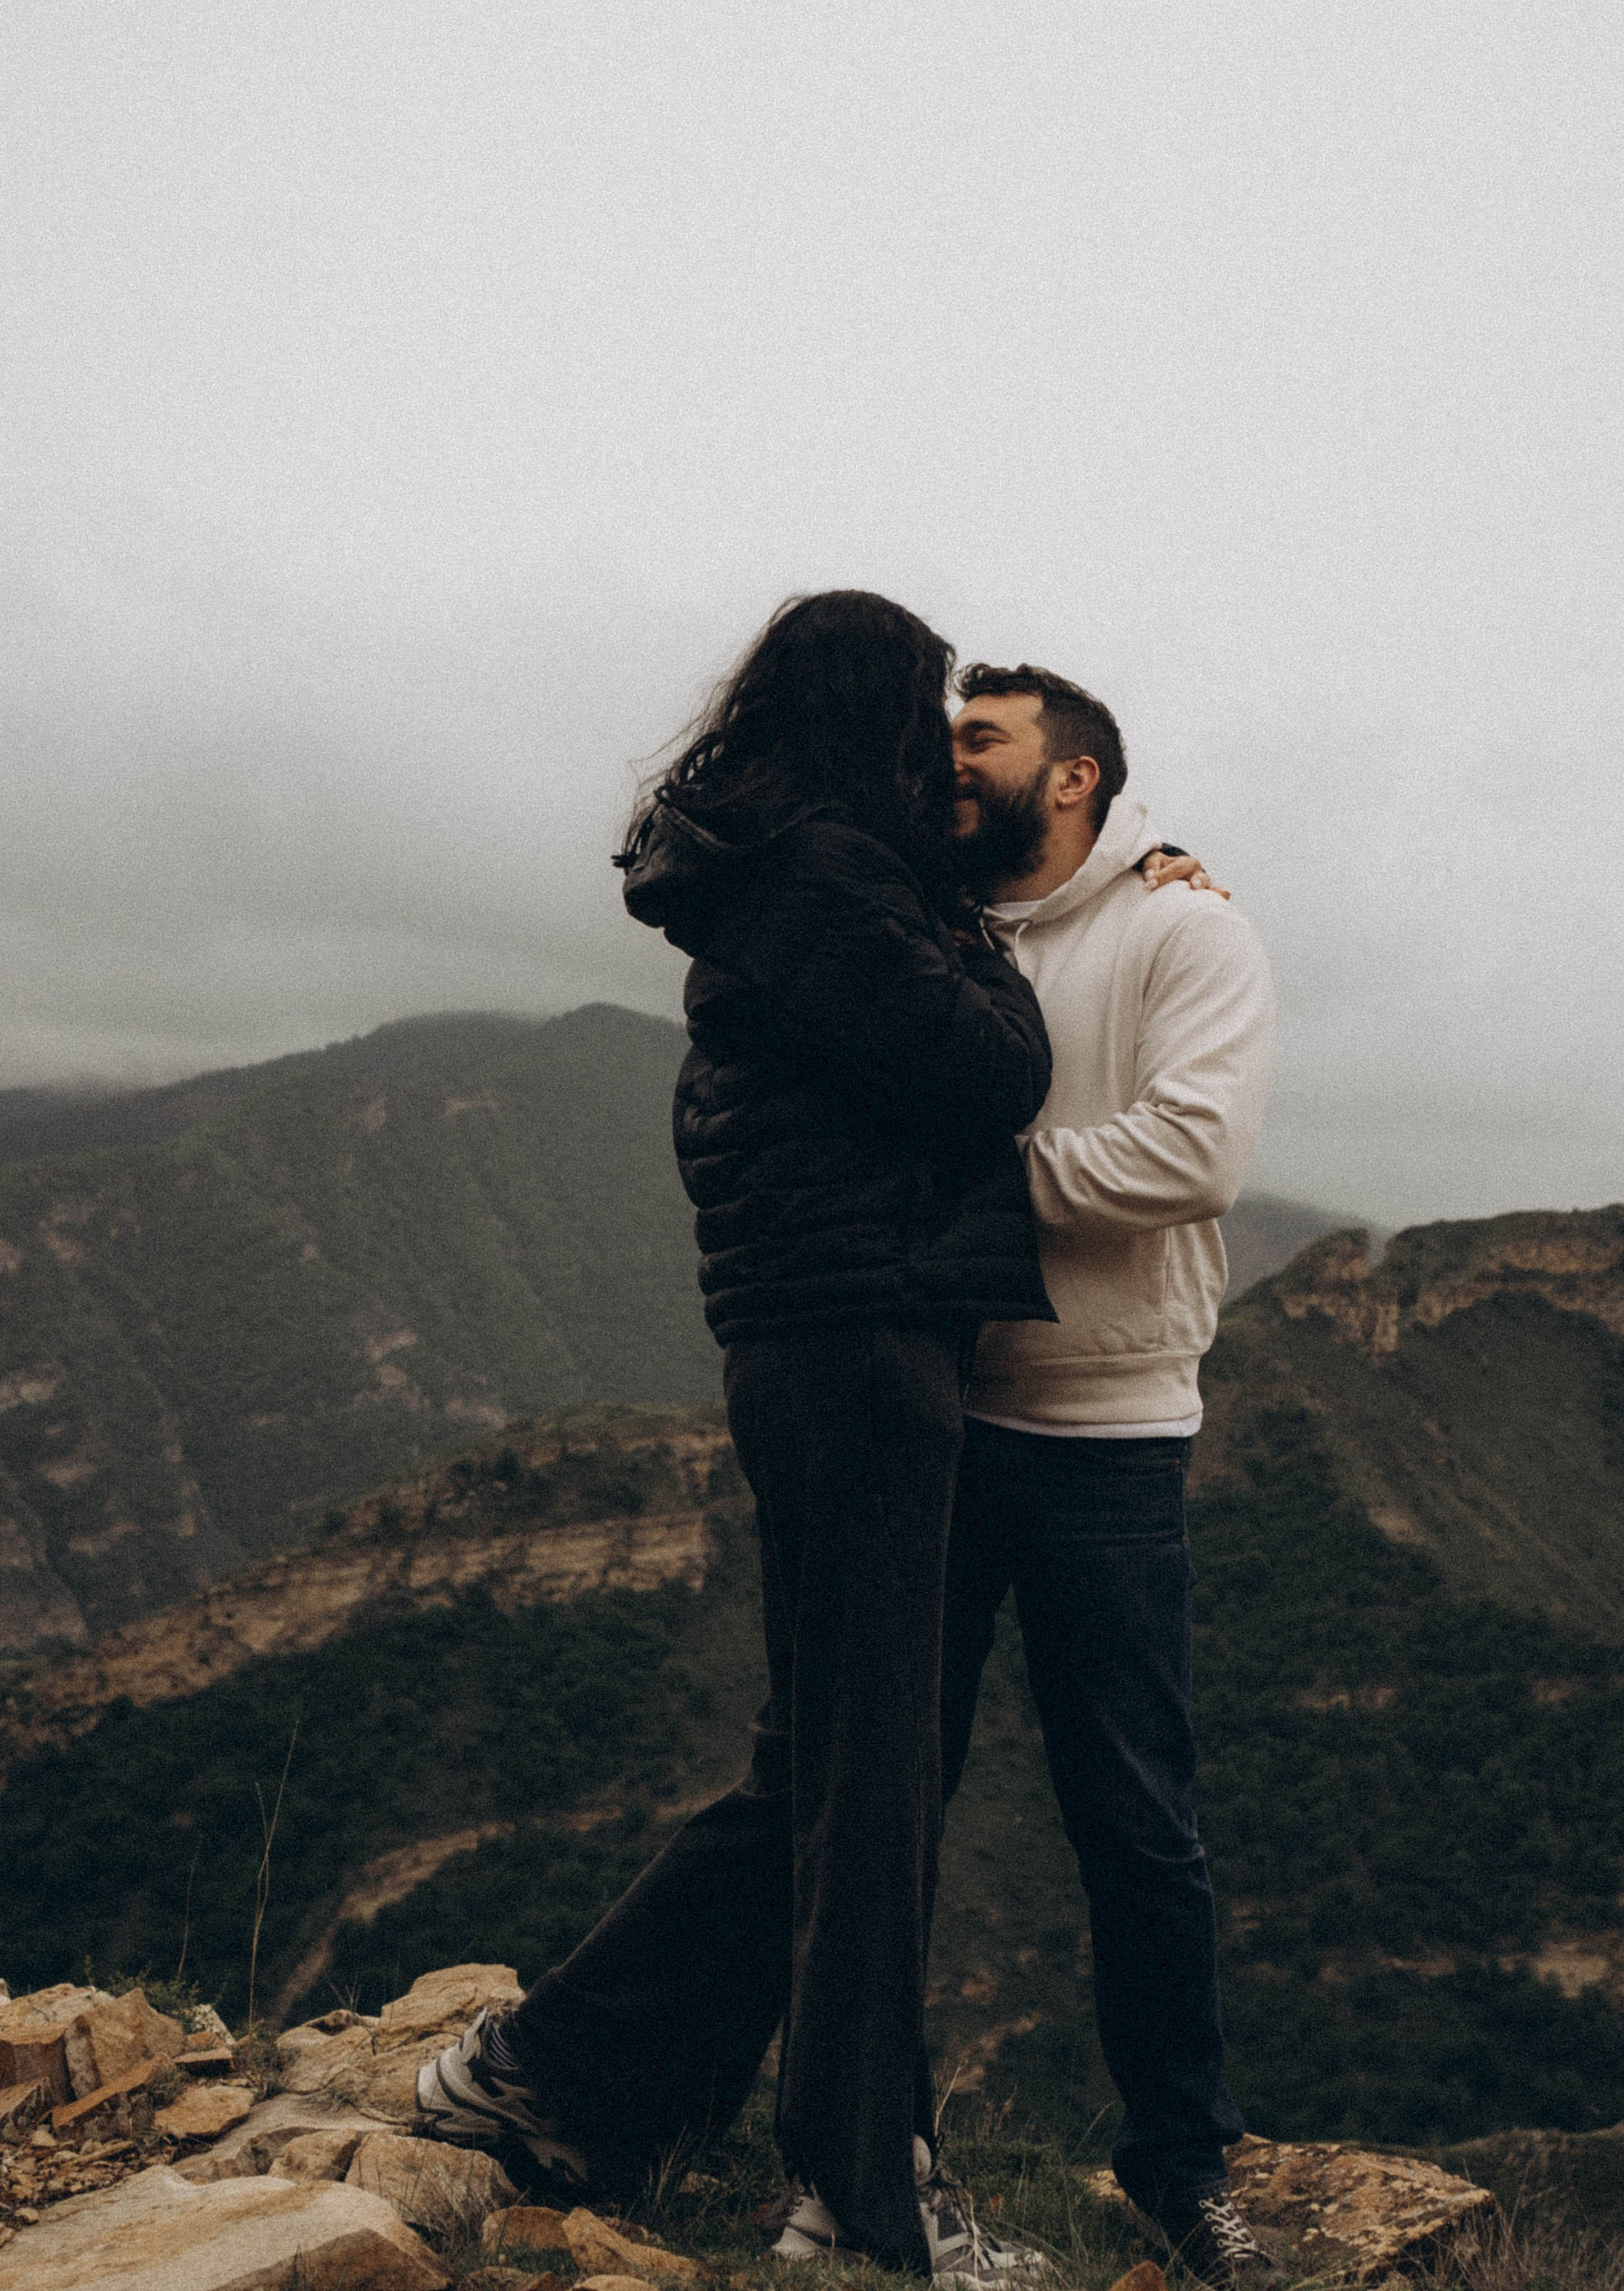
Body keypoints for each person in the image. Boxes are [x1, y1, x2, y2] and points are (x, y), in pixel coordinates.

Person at [419, 591, 1057, 2280]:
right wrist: (980, 937)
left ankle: (547, 2075)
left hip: (816, 1344)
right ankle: (856, 2199)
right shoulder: (834, 877)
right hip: (860, 1347)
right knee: (872, 1781)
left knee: (818, 1769)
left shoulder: (777, 867)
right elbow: (996, 1073)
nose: (940, 749)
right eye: (925, 711)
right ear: (866, 711)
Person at [940, 664, 1282, 2290]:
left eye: (976, 740)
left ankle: (1179, 2159)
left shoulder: (1183, 930)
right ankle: (872, 2136)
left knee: (1134, 1822)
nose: (945, 760)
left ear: (1069, 780)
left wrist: (959, 1188)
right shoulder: (926, 915)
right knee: (879, 1804)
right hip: (930, 1415)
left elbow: (1193, 1152)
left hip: (1107, 1431)